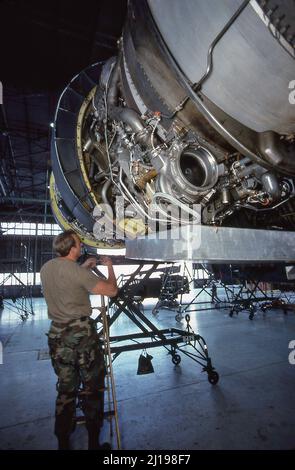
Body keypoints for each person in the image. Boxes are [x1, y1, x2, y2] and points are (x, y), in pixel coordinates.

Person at [40, 229, 118, 450]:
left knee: (66, 389)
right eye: (79, 243)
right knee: (92, 388)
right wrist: (110, 266)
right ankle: (94, 443)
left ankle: (63, 441)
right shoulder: (77, 272)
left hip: (56, 336)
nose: (82, 246)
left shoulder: (46, 268)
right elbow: (111, 291)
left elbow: (68, 281)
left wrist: (83, 269)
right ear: (72, 247)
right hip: (82, 338)